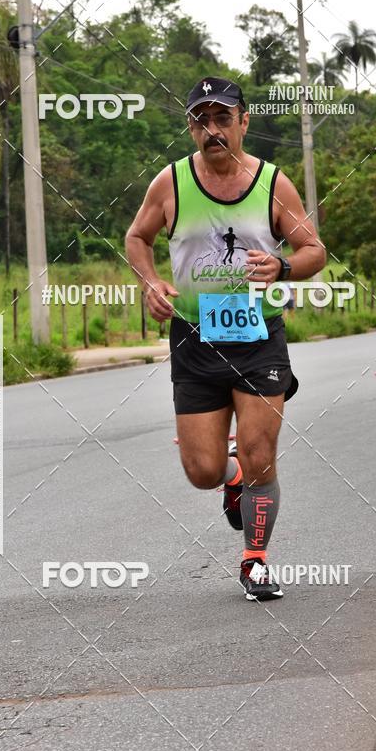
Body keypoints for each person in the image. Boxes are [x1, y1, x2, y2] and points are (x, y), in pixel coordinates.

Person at [125, 76, 326, 601]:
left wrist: (282, 266)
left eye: (222, 119)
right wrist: (151, 281)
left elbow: (313, 250)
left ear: (243, 122)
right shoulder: (169, 183)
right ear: (191, 128)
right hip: (193, 338)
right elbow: (137, 237)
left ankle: (255, 560)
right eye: (201, 121)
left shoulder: (273, 184)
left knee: (262, 453)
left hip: (259, 336)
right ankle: (230, 476)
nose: (212, 130)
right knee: (202, 471)